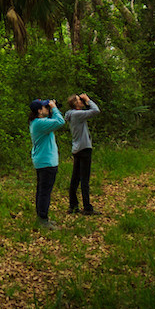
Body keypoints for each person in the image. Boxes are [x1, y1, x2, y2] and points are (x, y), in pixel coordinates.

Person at [28, 98, 65, 230]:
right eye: (45, 107)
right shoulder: (40, 123)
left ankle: (42, 217)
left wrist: (52, 109)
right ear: (39, 111)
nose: (47, 109)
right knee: (44, 192)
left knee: (42, 190)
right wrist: (54, 108)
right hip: (46, 162)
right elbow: (60, 121)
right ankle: (43, 219)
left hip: (43, 161)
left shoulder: (37, 122)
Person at [65, 93, 101, 215]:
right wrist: (88, 100)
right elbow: (96, 110)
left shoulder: (70, 114)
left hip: (77, 149)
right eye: (79, 100)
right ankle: (87, 208)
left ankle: (73, 206)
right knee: (84, 179)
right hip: (84, 149)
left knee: (75, 178)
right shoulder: (77, 114)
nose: (81, 101)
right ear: (76, 104)